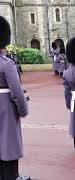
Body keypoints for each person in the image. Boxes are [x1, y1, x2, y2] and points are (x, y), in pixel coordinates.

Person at [0, 16, 31, 180]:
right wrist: (23, 110)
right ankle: (12, 176)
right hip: (6, 105)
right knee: (10, 141)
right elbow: (16, 91)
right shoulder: (7, 64)